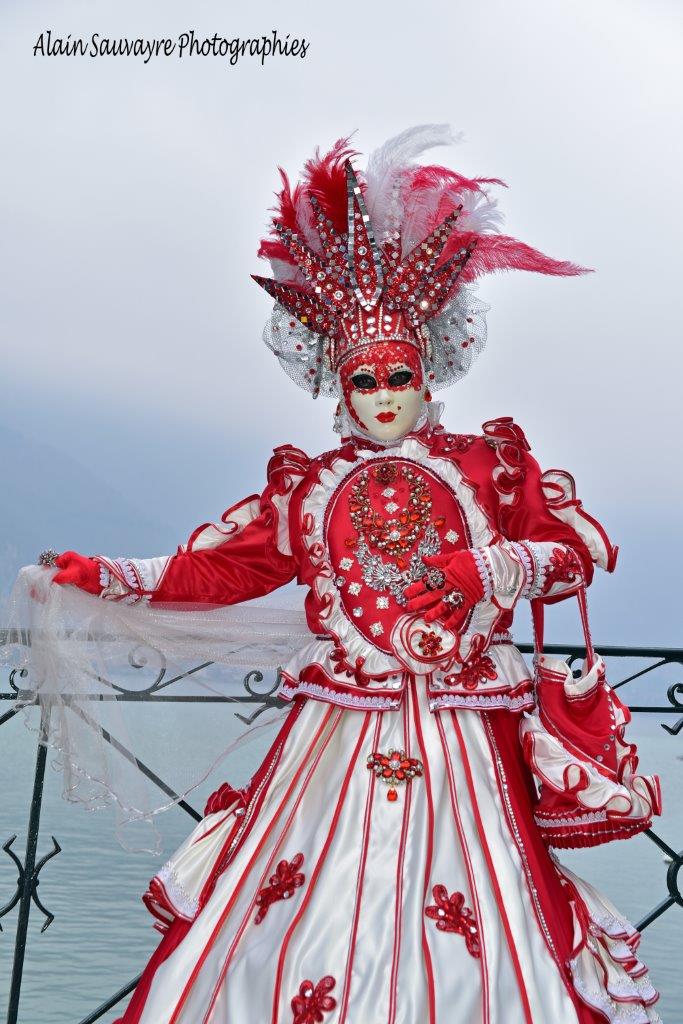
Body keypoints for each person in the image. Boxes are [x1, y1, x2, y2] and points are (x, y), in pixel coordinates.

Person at [48, 128, 662, 1023]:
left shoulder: (487, 466)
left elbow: (577, 558)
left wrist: (485, 563)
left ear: (427, 372)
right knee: (294, 913)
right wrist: (103, 574)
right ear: (337, 385)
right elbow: (221, 570)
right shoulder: (309, 486)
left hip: (465, 745)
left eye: (397, 376)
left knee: (480, 932)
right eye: (363, 379)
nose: (381, 394)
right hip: (333, 734)